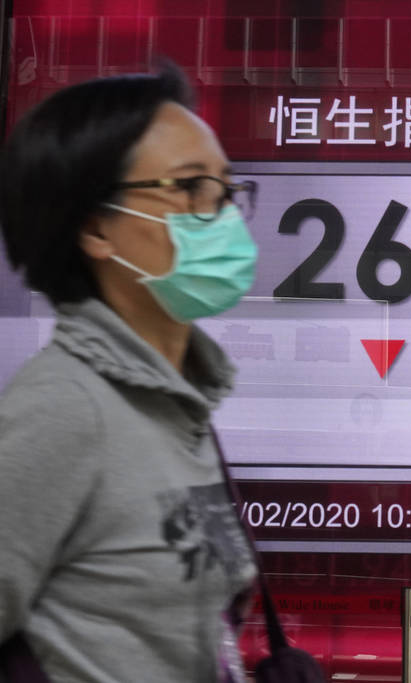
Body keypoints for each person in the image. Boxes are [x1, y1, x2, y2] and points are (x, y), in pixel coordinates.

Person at [0, 64, 259, 682]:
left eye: (225, 189)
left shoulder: (182, 406)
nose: (221, 214)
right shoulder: (63, 409)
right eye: (191, 188)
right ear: (95, 227)